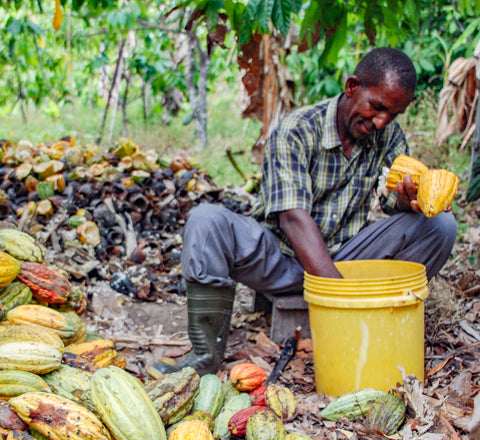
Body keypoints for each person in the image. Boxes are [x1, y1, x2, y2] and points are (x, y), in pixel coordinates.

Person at [151, 47, 457, 377]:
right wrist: (341, 297)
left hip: (345, 258)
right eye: (378, 107)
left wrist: (406, 199)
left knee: (440, 224)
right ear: (352, 87)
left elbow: (388, 202)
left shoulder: (387, 136)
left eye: (392, 115)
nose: (382, 121)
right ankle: (204, 356)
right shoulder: (297, 129)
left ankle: (383, 311)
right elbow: (291, 218)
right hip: (279, 258)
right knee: (206, 221)